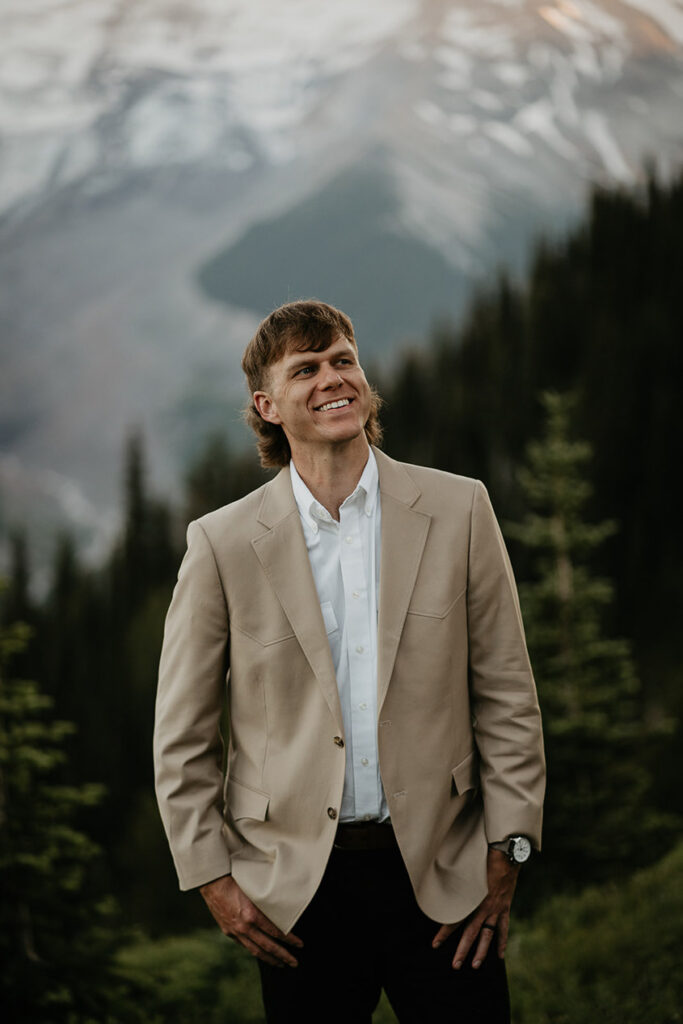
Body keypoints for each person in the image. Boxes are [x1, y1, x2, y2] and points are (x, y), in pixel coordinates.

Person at [154, 299, 545, 1023]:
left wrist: (508, 849)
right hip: (297, 893)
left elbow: (506, 693)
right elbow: (182, 736)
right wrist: (212, 878)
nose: (333, 379)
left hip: (444, 873)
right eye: (306, 369)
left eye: (342, 360)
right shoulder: (221, 543)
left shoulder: (460, 509)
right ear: (267, 405)